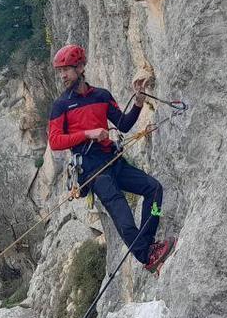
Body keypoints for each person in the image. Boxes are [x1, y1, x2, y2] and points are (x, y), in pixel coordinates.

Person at [47, 43, 176, 273]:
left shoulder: (102, 96)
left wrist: (137, 101)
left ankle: (148, 246)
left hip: (113, 161)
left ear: (80, 67)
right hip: (92, 170)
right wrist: (88, 133)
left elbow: (124, 124)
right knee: (124, 219)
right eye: (60, 71)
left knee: (154, 190)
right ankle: (147, 255)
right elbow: (55, 141)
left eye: (66, 69)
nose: (63, 75)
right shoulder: (61, 105)